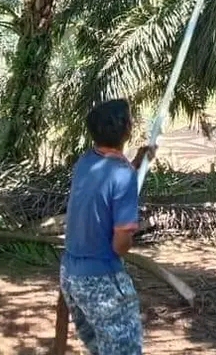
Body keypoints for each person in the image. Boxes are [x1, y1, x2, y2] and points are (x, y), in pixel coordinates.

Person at [60, 99, 156, 355]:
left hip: (70, 275)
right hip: (101, 280)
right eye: (130, 119)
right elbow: (120, 245)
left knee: (102, 349)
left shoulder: (86, 162)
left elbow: (108, 186)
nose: (132, 122)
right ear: (126, 129)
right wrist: (129, 237)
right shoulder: (121, 174)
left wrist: (136, 163)